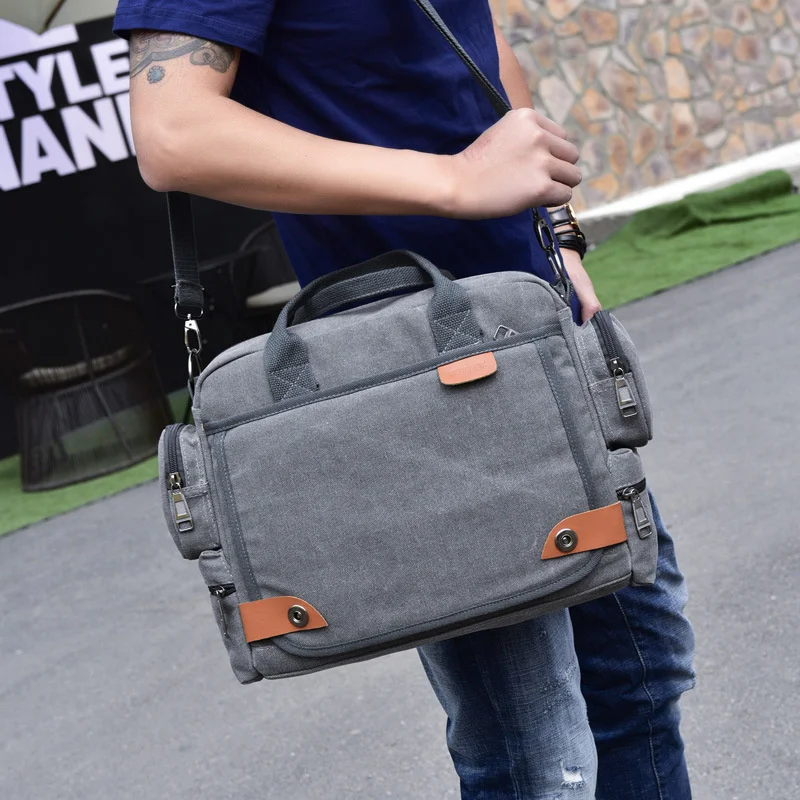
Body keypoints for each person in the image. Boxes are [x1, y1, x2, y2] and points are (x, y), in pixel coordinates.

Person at [113, 2, 696, 797]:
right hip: (415, 380)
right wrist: (457, 180)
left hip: (537, 332)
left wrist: (555, 230)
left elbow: (474, 36)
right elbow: (174, 134)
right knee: (534, 754)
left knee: (641, 677)